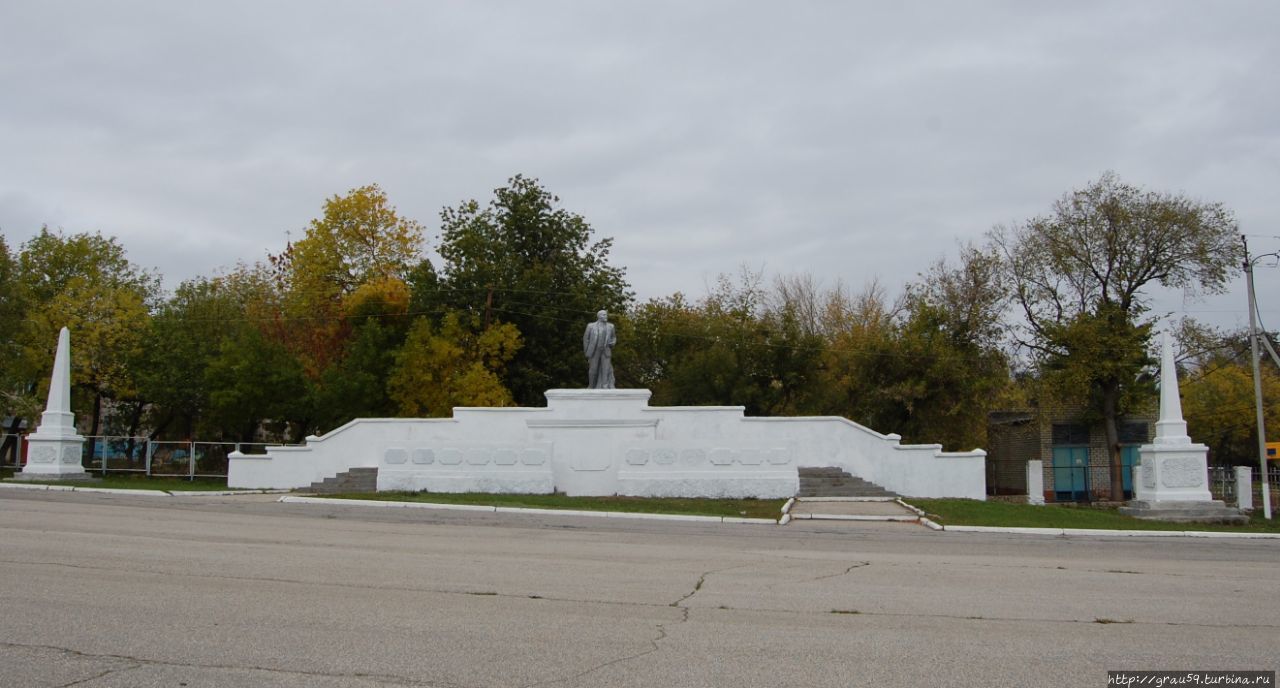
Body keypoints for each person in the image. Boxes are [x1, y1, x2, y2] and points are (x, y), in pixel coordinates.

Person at [583, 309, 616, 389]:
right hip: (594, 351)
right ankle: (591, 386)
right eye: (604, 315)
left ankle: (605, 386)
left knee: (606, 369)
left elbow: (613, 337)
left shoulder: (611, 326)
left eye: (606, 315)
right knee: (593, 369)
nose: (606, 316)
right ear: (599, 316)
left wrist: (613, 342)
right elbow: (585, 339)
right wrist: (587, 352)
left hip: (606, 350)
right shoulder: (590, 326)